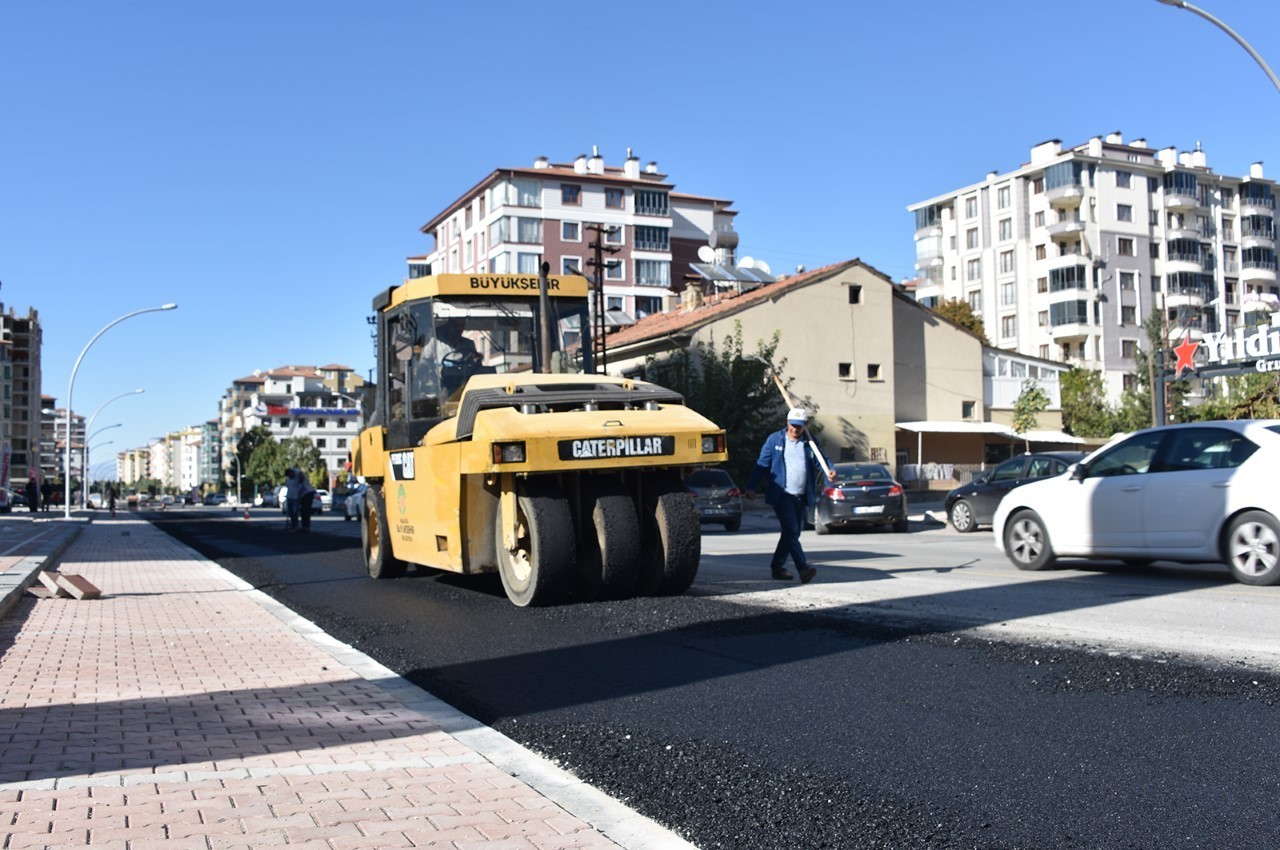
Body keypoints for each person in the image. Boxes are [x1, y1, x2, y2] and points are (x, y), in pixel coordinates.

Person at [744, 407, 837, 583]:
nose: (795, 429)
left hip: (801, 495)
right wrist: (751, 487)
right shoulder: (775, 440)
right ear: (787, 423)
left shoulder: (810, 442)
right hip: (782, 494)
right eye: (793, 425)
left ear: (805, 425)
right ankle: (803, 568)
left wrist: (830, 471)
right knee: (791, 531)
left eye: (799, 426)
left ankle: (777, 567)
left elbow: (822, 460)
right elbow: (762, 465)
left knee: (792, 533)